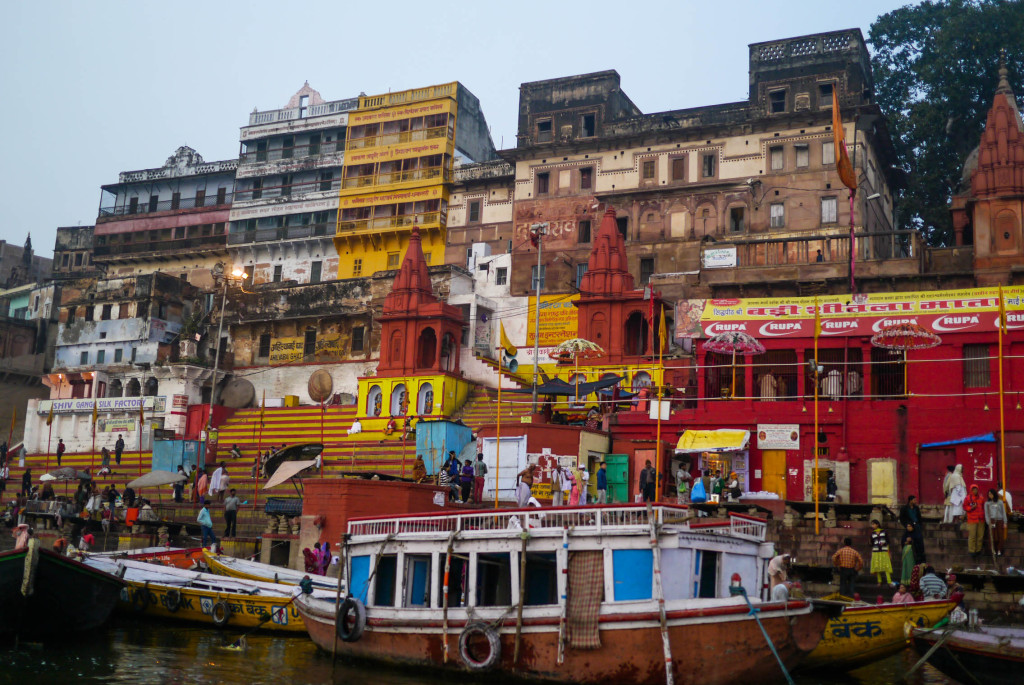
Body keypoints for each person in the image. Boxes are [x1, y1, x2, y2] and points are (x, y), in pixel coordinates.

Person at [963, 483, 985, 558]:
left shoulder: (981, 498)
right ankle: (972, 551)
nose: (975, 491)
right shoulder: (968, 498)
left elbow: (983, 507)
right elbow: (965, 507)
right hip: (972, 519)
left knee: (980, 536)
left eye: (976, 489)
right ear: (971, 490)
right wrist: (971, 508)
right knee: (972, 536)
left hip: (980, 519)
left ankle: (978, 550)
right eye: (973, 489)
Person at [985, 488, 1008, 557]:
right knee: (992, 536)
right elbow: (986, 514)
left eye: (991, 494)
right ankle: (993, 549)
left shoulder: (1000, 502)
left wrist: (1005, 522)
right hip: (991, 521)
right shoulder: (987, 503)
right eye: (989, 494)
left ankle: (999, 550)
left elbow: (1003, 512)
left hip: (999, 520)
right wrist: (988, 522)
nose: (990, 495)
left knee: (1000, 535)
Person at [869, 520, 893, 586]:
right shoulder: (872, 533)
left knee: (886, 566)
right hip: (876, 551)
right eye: (872, 524)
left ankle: (889, 581)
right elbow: (871, 543)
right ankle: (879, 581)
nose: (872, 526)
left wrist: (884, 543)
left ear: (877, 524)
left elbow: (888, 541)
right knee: (877, 567)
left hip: (884, 551)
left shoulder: (884, 531)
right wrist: (870, 543)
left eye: (873, 524)